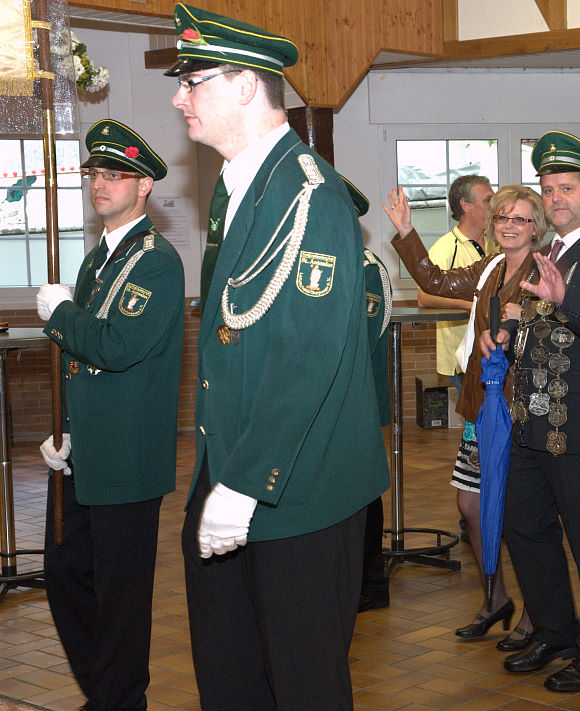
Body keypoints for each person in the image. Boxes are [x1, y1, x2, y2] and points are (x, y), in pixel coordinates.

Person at [165, 6, 389, 710]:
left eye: (191, 81)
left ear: (243, 86)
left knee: (302, 683)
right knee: (232, 678)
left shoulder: (308, 194)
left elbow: (306, 356)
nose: (178, 98)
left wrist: (244, 484)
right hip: (236, 469)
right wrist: (224, 479)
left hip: (294, 489)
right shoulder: (243, 186)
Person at [479, 131, 580, 692]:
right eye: (549, 190)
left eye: (567, 188)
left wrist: (565, 297)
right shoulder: (549, 253)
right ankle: (555, 631)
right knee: (525, 528)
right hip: (533, 424)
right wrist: (504, 334)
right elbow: (534, 321)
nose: (556, 199)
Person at [35, 119, 183, 711]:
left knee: (121, 596)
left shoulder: (157, 262)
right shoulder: (97, 259)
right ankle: (107, 694)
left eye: (116, 174)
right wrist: (66, 429)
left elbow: (115, 346)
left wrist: (62, 314)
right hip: (86, 451)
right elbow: (78, 359)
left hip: (127, 455)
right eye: (94, 173)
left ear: (144, 186)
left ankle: (120, 701)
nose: (100, 183)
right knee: (65, 573)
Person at [386, 183, 540, 649]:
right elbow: (434, 282)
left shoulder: (544, 273)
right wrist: (407, 232)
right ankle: (496, 598)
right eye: (502, 218)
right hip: (481, 404)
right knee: (470, 505)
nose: (509, 226)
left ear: (536, 228)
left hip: (520, 411)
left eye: (519, 219)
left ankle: (537, 613)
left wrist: (525, 317)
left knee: (519, 513)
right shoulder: (489, 265)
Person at [341, 177, 392, 614]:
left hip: (357, 401)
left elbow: (359, 339)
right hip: (328, 404)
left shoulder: (366, 266)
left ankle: (370, 584)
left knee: (363, 491)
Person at [425, 175, 493, 393]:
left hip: (493, 347)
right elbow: (424, 298)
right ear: (466, 205)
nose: (495, 206)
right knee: (476, 412)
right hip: (462, 355)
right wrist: (469, 306)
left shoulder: (497, 244)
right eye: (488, 200)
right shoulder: (445, 248)